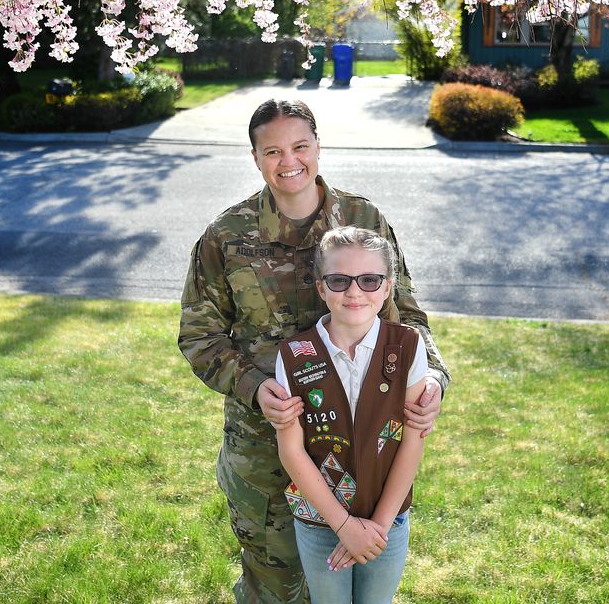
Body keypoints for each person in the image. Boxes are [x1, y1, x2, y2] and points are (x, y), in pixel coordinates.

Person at [179, 99, 450, 604]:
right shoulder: (226, 237)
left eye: (300, 146)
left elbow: (407, 315)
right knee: (275, 589)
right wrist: (256, 388)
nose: (289, 161)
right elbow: (200, 335)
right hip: (266, 448)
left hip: (360, 455)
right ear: (256, 157)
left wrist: (433, 376)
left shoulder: (362, 218)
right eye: (273, 151)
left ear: (318, 147)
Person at [273, 226, 427, 604]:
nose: (355, 292)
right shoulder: (294, 354)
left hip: (387, 519)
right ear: (322, 288)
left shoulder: (407, 346)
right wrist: (343, 526)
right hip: (320, 523)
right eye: (340, 280)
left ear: (388, 286)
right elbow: (291, 452)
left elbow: (412, 440)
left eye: (370, 279)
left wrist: (376, 526)